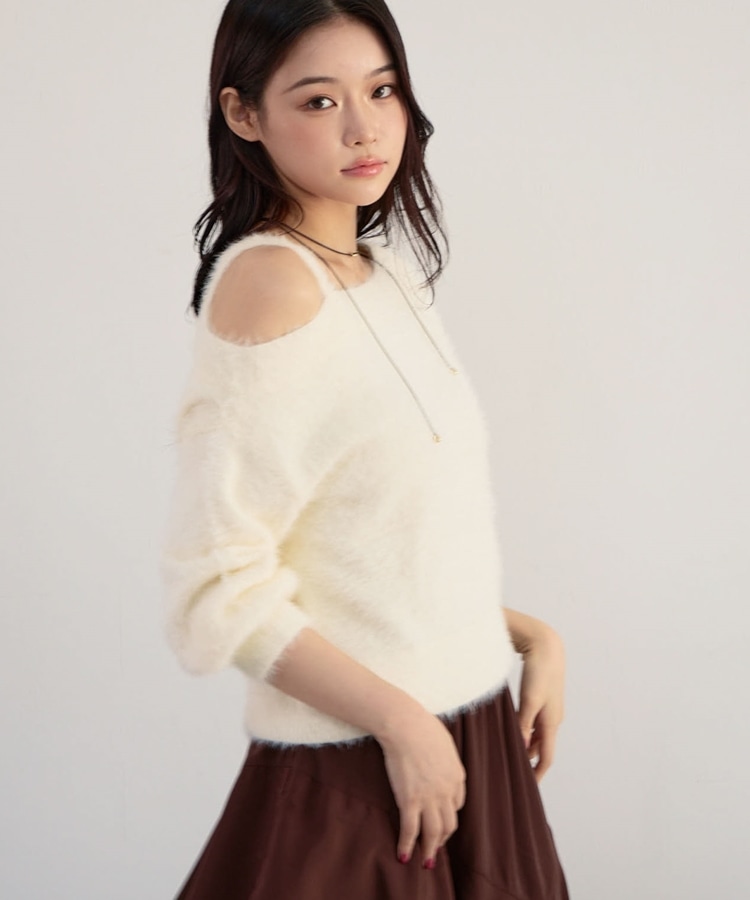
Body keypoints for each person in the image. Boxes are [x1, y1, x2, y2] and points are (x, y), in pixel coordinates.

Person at [162, 1, 569, 897]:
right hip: (362, 763)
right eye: (318, 100)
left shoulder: (386, 278)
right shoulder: (273, 286)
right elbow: (215, 588)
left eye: (381, 90)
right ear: (243, 114)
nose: (364, 127)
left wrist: (523, 632)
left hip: (464, 731)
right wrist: (401, 722)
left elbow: (376, 551)